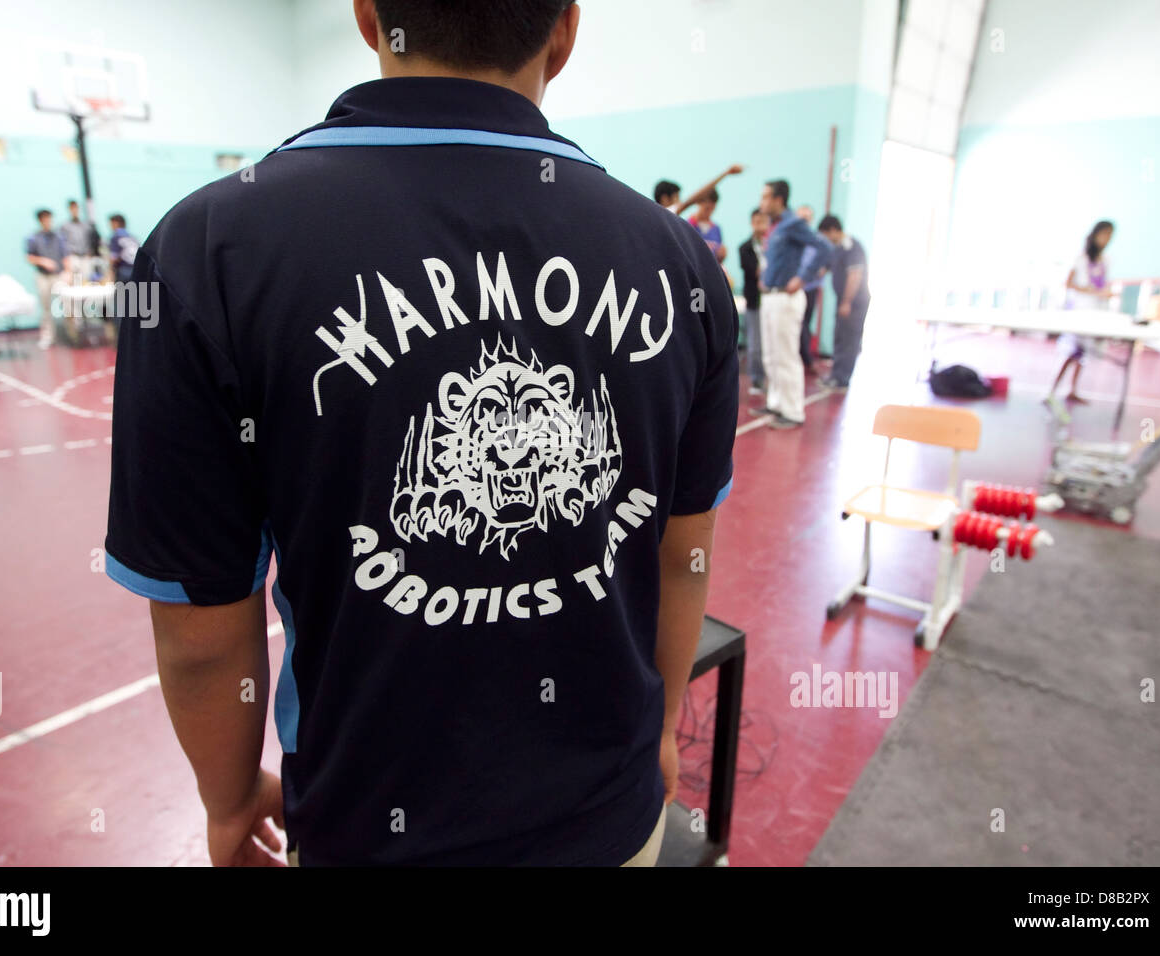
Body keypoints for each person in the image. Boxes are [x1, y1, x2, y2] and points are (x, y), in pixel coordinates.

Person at [104, 0, 738, 868]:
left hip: (365, 830)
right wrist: (662, 729)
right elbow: (682, 552)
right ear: (565, 31)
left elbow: (202, 626)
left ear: (369, 16)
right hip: (609, 819)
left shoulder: (208, 249)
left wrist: (226, 798)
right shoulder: (680, 262)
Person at [751, 179, 831, 428]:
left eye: (765, 197)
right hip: (771, 296)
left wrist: (803, 277)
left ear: (778, 199)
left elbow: (824, 247)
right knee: (771, 355)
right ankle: (776, 403)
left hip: (787, 298)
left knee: (785, 355)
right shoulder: (774, 227)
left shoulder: (794, 223)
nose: (761, 201)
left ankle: (793, 412)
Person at [1047, 220, 1114, 410]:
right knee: (1070, 352)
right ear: (1095, 234)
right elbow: (1068, 283)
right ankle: (1051, 390)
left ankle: (1072, 389)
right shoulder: (1080, 257)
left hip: (1096, 311)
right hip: (1079, 310)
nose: (1106, 239)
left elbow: (1102, 284)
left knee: (1082, 355)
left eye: (1109, 235)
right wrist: (1089, 291)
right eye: (1104, 234)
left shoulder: (1105, 259)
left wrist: (1102, 294)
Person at [816, 214, 870, 391]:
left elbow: (855, 276)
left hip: (855, 302)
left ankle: (842, 379)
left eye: (825, 235)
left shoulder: (851, 246)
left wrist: (847, 301)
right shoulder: (837, 249)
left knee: (849, 339)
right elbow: (825, 268)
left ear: (833, 230)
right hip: (843, 300)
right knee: (839, 337)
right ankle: (836, 375)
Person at [24, 209, 69, 349]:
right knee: (46, 307)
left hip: (58, 275)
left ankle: (71, 334)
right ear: (40, 220)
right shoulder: (33, 238)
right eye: (44, 219)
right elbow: (29, 257)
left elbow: (65, 255)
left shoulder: (59, 236)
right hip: (43, 276)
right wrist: (43, 261)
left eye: (49, 218)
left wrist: (68, 272)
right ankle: (47, 336)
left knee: (68, 304)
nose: (47, 221)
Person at [739, 208, 769, 394]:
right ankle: (757, 379)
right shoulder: (745, 248)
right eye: (756, 221)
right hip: (754, 300)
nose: (760, 225)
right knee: (755, 345)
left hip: (772, 301)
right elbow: (752, 270)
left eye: (763, 221)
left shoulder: (773, 245)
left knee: (771, 345)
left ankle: (772, 379)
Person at [653, 163, 743, 216]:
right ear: (664, 198)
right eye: (676, 197)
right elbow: (693, 199)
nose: (680, 202)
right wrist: (725, 173)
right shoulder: (666, 213)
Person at [795, 204, 821, 374]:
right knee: (799, 323)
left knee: (804, 323)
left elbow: (823, 261)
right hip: (794, 289)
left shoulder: (815, 239)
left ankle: (805, 358)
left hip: (810, 288)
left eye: (807, 217)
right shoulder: (793, 238)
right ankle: (804, 357)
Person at [687, 189, 727, 265]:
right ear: (698, 203)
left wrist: (722, 255)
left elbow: (718, 260)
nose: (709, 212)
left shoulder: (716, 229)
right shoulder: (688, 226)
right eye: (707, 208)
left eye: (712, 209)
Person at [108, 214, 139, 283]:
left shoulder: (116, 237)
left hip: (123, 270)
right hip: (136, 270)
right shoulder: (133, 238)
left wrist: (110, 273)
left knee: (121, 293)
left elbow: (114, 258)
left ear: (115, 223)